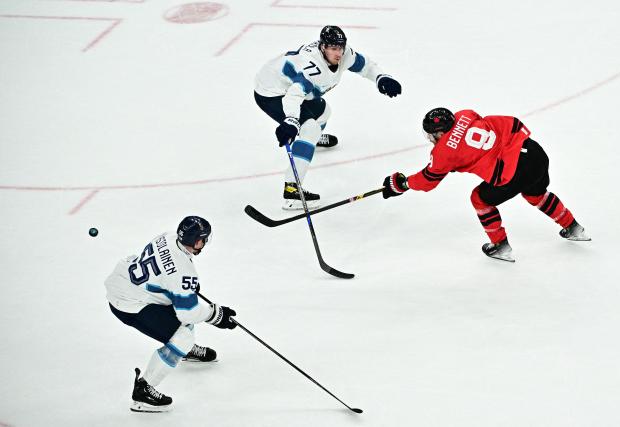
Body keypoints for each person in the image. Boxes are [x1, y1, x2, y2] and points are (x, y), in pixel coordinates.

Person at [382, 108, 590, 262]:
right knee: (536, 193)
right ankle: (573, 227)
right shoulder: (465, 115)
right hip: (534, 152)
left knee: (479, 198)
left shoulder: (443, 153)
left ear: (438, 133)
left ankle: (500, 245)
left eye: (431, 135)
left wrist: (403, 184)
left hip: (514, 172)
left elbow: (428, 180)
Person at [254, 25, 402, 210]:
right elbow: (293, 96)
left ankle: (309, 142)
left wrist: (381, 77)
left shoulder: (343, 53)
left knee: (324, 113)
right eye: (333, 48)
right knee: (310, 129)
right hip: (272, 92)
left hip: (293, 88)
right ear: (323, 47)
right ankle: (292, 190)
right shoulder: (312, 69)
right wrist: (291, 121)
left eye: (340, 47)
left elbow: (365, 65)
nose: (338, 52)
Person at [104, 216, 237, 412]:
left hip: (128, 283)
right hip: (129, 303)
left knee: (180, 313)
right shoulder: (184, 272)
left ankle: (185, 349)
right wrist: (216, 315)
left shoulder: (168, 237)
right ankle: (143, 390)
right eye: (204, 238)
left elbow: (168, 272)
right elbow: (188, 314)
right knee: (182, 337)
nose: (205, 242)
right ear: (197, 241)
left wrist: (183, 289)